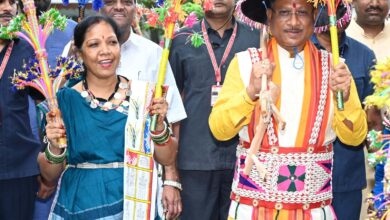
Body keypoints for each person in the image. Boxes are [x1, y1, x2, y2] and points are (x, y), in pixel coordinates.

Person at [208, 0, 368, 218]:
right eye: (284, 13)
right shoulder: (246, 64)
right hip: (252, 209)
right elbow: (219, 130)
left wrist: (345, 96)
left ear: (313, 17)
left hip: (314, 211)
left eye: (302, 12)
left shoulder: (335, 68)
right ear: (269, 16)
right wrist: (249, 93)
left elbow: (354, 138)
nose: (294, 22)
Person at [40, 15, 178, 219]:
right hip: (82, 204)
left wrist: (158, 126)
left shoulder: (142, 96)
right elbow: (49, 175)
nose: (105, 51)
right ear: (79, 53)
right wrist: (54, 147)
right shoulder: (64, 102)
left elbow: (167, 157)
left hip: (134, 202)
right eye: (94, 44)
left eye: (112, 42)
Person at [168, 0, 260, 218]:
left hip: (245, 161)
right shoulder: (181, 40)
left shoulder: (257, 39)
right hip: (195, 160)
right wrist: (170, 173)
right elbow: (171, 107)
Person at [99, 0, 186, 218]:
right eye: (111, 1)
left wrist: (171, 179)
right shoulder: (77, 50)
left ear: (135, 8)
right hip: (93, 177)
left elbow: (172, 119)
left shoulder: (154, 54)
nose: (119, 7)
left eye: (127, 2)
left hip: (141, 179)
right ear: (99, 6)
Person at [311, 2, 376, 219]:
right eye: (325, 6)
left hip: (346, 173)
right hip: (304, 174)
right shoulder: (298, 52)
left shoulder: (364, 55)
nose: (332, 13)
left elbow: (371, 118)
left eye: (339, 6)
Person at [0, 0, 42, 219]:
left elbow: (46, 100)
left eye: (12, 2)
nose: (7, 8)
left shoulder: (28, 48)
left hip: (18, 167)